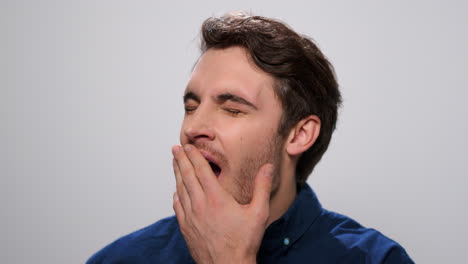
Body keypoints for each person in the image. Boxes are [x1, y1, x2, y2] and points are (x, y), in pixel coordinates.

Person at [87, 12, 413, 263]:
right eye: (191, 106)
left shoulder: (373, 259)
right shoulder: (120, 259)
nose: (193, 127)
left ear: (299, 135)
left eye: (232, 109)